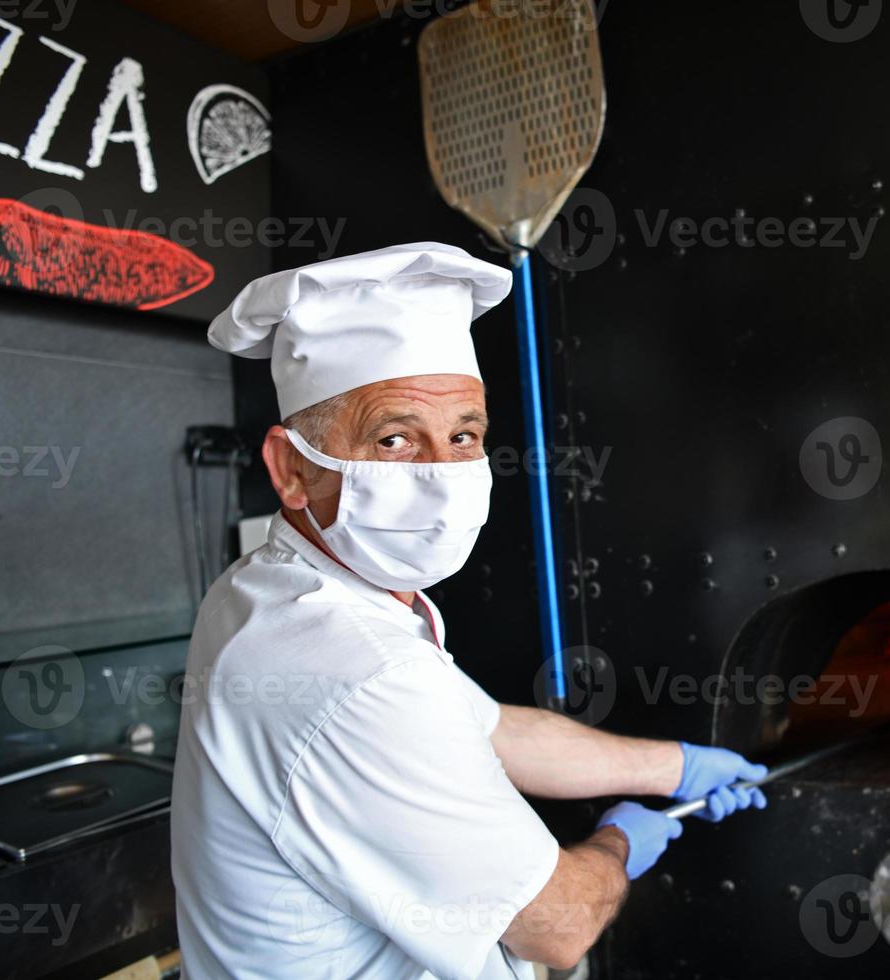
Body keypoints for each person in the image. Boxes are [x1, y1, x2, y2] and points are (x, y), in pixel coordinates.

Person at [170, 243, 767, 979]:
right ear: (292, 468)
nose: (443, 475)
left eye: (464, 436)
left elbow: (492, 730)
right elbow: (559, 924)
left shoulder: (276, 586)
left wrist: (673, 768)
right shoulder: (354, 666)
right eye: (394, 439)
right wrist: (618, 842)